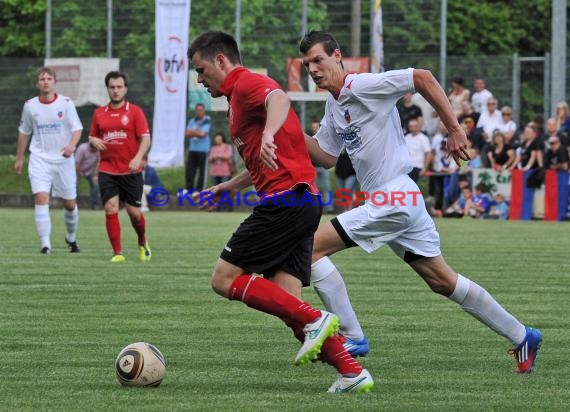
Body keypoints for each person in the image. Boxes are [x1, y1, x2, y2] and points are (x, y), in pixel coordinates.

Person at [299, 31, 542, 376]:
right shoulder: (334, 104)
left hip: (394, 196)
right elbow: (324, 156)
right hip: (397, 198)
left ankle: (352, 336)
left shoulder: (363, 84)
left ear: (337, 56)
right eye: (307, 64)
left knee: (308, 248)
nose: (313, 68)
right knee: (443, 281)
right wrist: (287, 131)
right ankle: (523, 335)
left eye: (318, 60)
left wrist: (454, 129)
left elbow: (422, 77)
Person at [187, 30, 373, 393]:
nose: (199, 79)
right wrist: (231, 186)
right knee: (288, 305)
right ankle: (352, 373)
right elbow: (263, 153)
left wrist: (270, 133)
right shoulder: (235, 99)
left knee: (223, 279)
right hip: (301, 202)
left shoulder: (246, 84)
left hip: (285, 202)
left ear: (221, 61)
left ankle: (318, 318)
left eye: (201, 69)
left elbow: (278, 99)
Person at [15, 67, 82, 254]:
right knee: (41, 197)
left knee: (70, 204)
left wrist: (71, 146)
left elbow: (77, 129)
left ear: (54, 82)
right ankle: (45, 244)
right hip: (39, 159)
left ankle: (71, 237)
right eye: (42, 79)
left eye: (49, 78)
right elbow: (24, 132)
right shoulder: (29, 106)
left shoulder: (66, 103)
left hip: (63, 160)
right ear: (37, 83)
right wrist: (19, 158)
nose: (45, 81)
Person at [88, 71, 152, 263]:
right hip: (107, 169)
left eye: (119, 87)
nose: (115, 91)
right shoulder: (99, 113)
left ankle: (142, 241)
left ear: (125, 88)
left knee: (134, 213)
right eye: (112, 87)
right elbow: (92, 136)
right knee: (110, 208)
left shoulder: (135, 112)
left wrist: (138, 158)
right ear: (107, 89)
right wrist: (93, 141)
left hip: (131, 170)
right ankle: (117, 253)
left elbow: (146, 138)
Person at [308, 120, 333, 213]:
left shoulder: (324, 138)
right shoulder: (309, 137)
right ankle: (315, 209)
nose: (315, 128)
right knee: (313, 190)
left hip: (323, 167)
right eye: (313, 127)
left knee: (326, 188)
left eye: (316, 127)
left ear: (319, 127)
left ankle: (329, 209)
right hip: (312, 168)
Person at [185, 103, 211, 192]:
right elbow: (187, 133)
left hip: (203, 150)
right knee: (190, 170)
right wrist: (197, 132)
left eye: (201, 110)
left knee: (202, 171)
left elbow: (203, 134)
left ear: (204, 111)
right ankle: (189, 189)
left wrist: (193, 132)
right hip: (193, 149)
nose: (199, 112)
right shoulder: (192, 120)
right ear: (196, 111)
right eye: (198, 110)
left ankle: (200, 190)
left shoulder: (207, 120)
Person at [208, 132, 234, 211]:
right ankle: (217, 208)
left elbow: (228, 156)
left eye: (219, 138)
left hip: (225, 172)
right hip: (215, 172)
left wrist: (218, 156)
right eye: (216, 139)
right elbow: (210, 159)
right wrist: (213, 158)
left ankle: (226, 208)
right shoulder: (213, 148)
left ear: (222, 139)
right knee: (216, 191)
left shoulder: (228, 147)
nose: (217, 140)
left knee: (225, 191)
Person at [75, 141, 101, 210]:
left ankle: (95, 205)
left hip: (90, 171)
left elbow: (98, 162)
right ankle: (74, 204)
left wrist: (95, 174)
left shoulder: (98, 150)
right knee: (75, 185)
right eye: (95, 149)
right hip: (78, 170)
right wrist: (79, 173)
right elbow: (77, 163)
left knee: (95, 185)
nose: (97, 150)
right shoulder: (82, 148)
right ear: (91, 147)